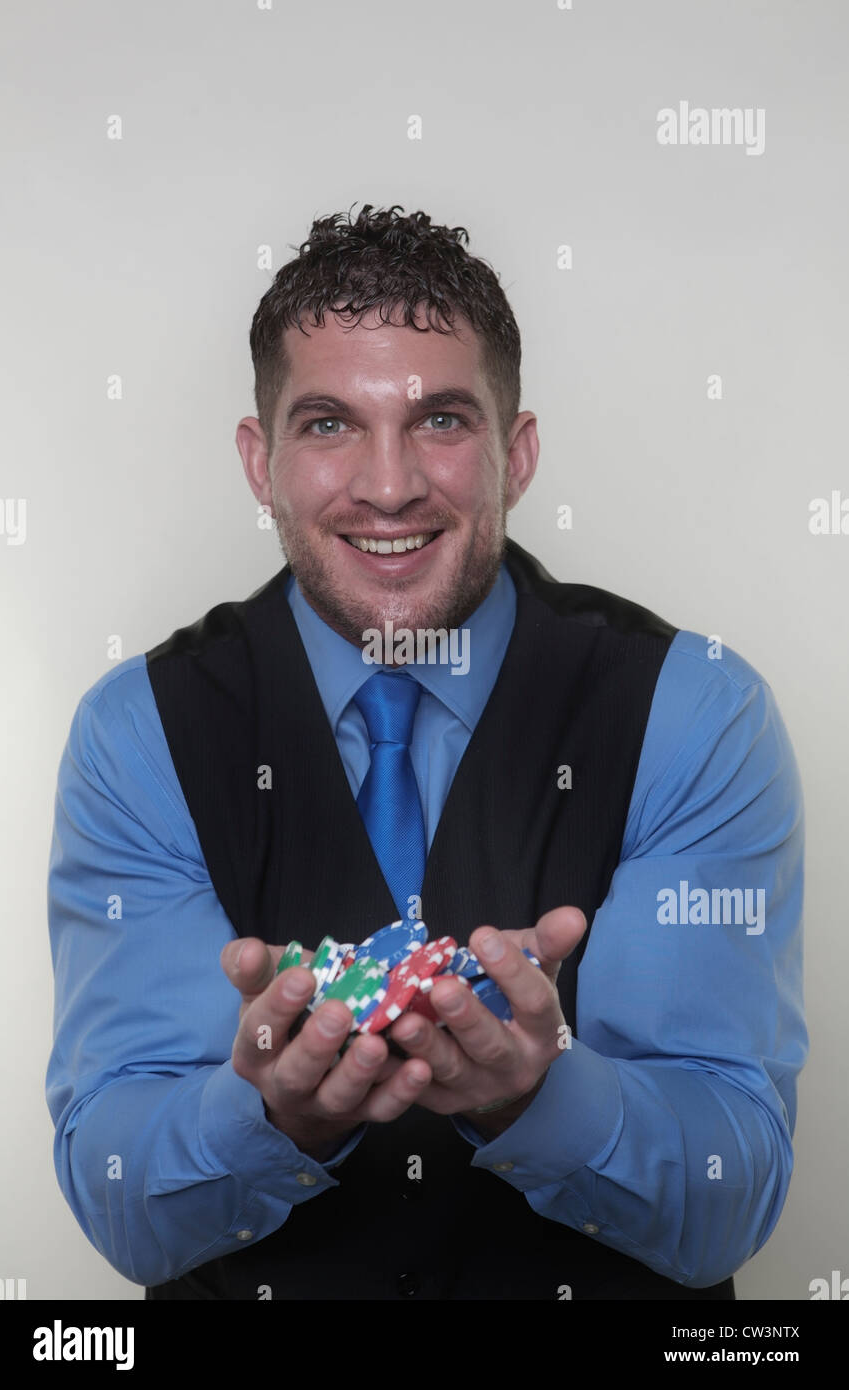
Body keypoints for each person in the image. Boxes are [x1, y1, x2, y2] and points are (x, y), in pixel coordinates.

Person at [46, 203, 806, 1301]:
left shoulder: (691, 712)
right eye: (328, 424)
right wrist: (266, 1113)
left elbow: (727, 1195)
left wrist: (539, 1095)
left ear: (519, 451)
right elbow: (122, 1198)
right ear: (260, 461)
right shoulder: (141, 733)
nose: (390, 484)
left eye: (440, 419)